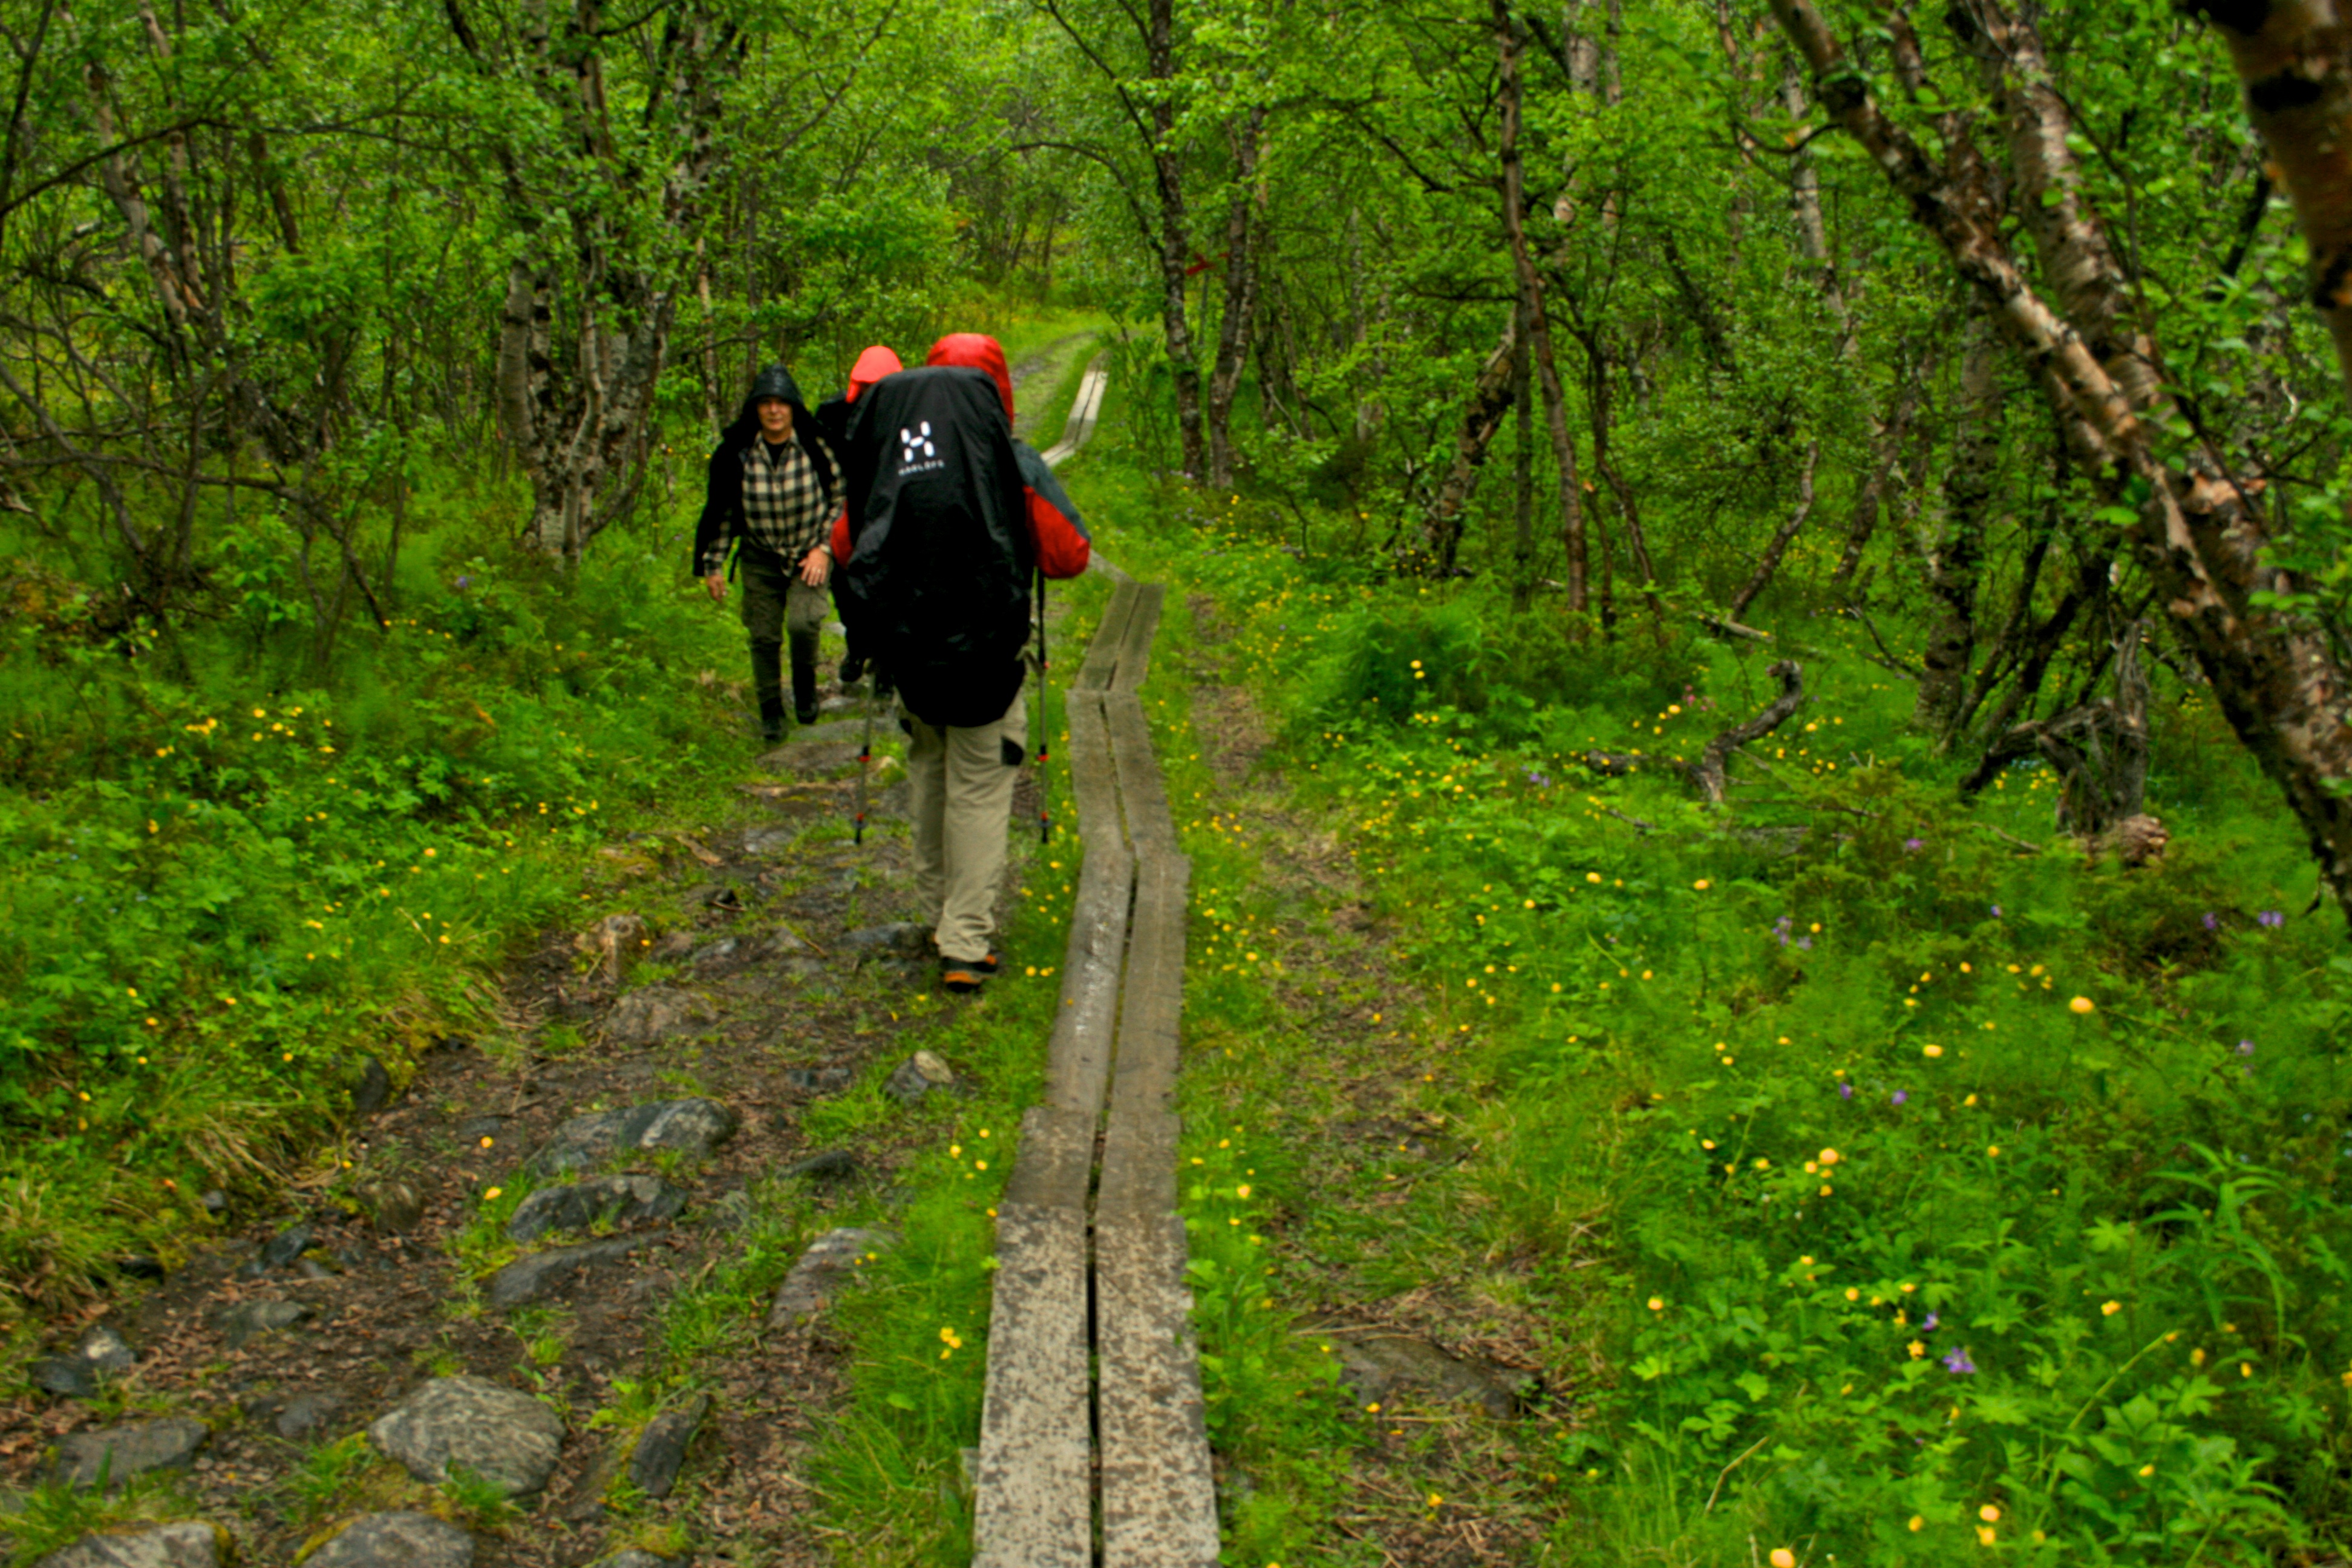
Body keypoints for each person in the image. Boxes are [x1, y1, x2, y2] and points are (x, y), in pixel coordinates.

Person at [832, 332, 1091, 992]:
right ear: (999, 389)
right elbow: (1070, 555)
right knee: (976, 793)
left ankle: (937, 915)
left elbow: (845, 544)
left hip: (913, 663)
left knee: (929, 779)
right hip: (986, 664)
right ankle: (966, 942)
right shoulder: (1012, 460)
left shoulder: (889, 453)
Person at [692, 364, 841, 740]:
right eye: (766, 403)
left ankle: (805, 689)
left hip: (809, 552)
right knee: (763, 636)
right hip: (761, 556)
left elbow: (842, 497)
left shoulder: (816, 444)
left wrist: (824, 548)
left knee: (803, 624)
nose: (774, 411)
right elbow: (723, 513)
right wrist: (714, 565)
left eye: (782, 403)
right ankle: (771, 712)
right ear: (755, 409)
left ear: (793, 408)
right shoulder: (737, 454)